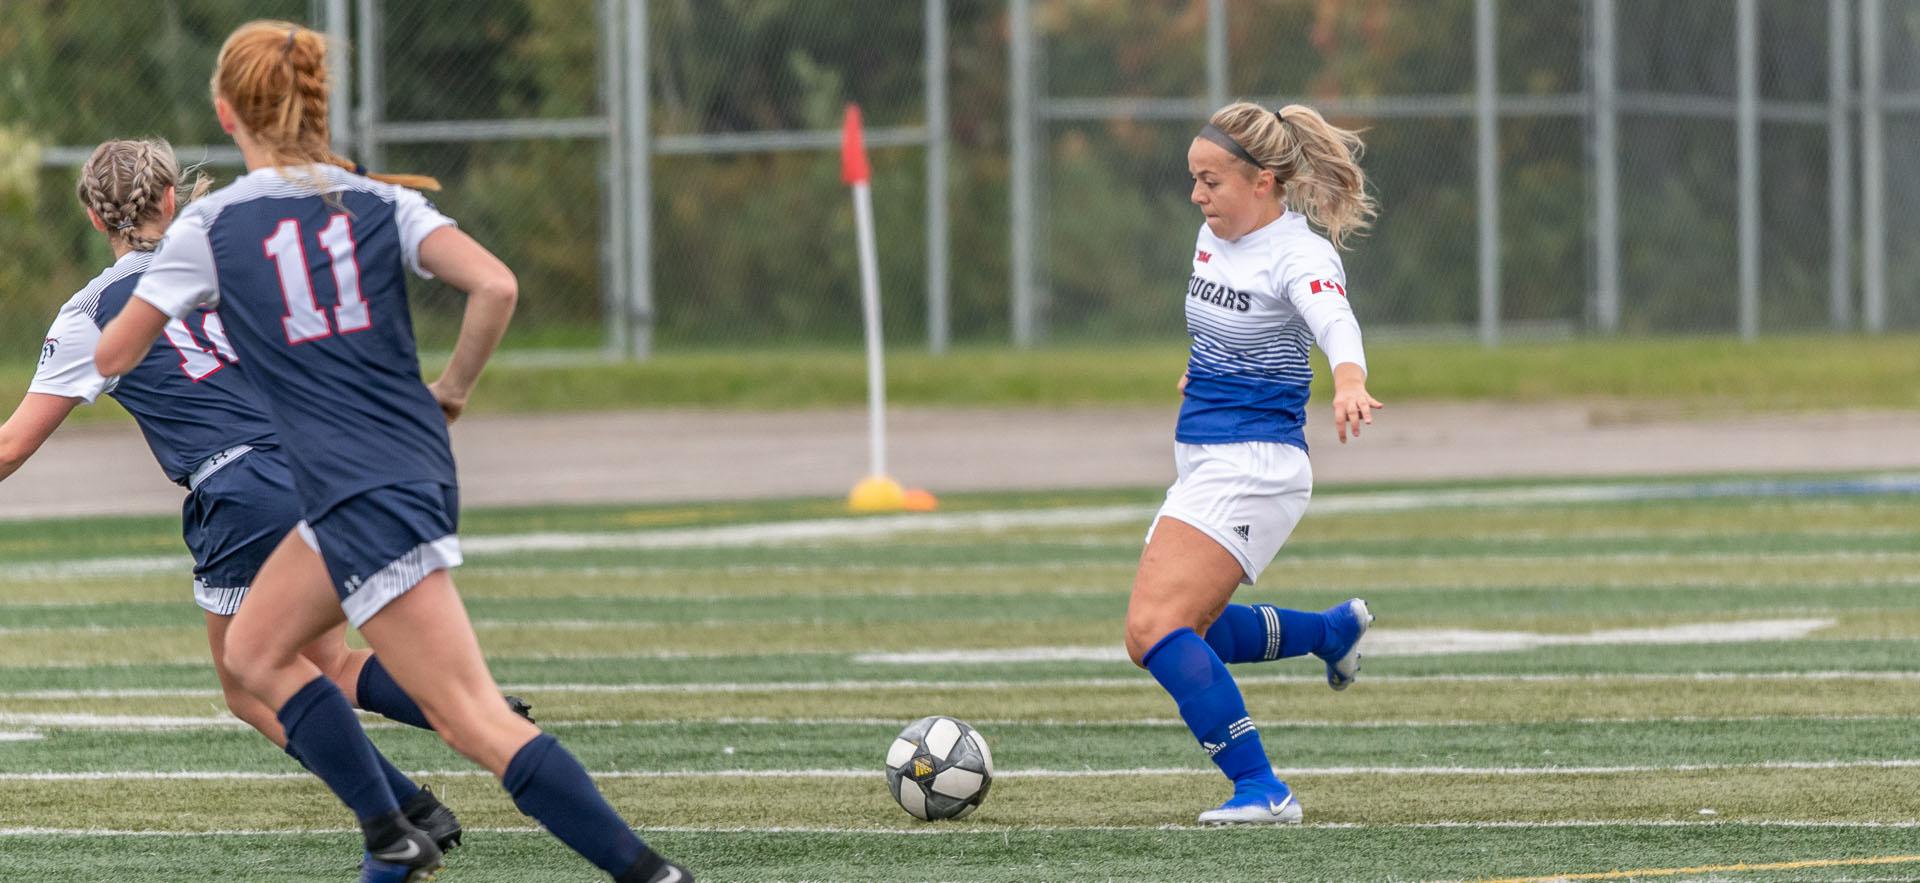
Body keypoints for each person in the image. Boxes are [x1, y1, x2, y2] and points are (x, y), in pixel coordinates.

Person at [94, 22, 687, 883]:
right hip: (399, 468)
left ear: (227, 114)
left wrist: (133, 307)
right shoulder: (376, 199)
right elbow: (496, 284)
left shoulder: (212, 226)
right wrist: (451, 390)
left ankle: (636, 872)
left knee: (471, 718)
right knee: (255, 654)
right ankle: (392, 834)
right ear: (318, 104)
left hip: (350, 484)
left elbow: (115, 355)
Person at [0, 137, 496, 848]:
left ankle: (403, 812)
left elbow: (11, 446)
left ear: (91, 216)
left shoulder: (92, 311)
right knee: (326, 662)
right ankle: (485, 723)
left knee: (248, 683)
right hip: (325, 467)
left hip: (242, 489)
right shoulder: (229, 260)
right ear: (170, 198)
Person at [1123, 101, 1384, 825]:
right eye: (1194, 180)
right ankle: (1330, 632)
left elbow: (1334, 319)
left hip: (1256, 464)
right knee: (1187, 629)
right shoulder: (1216, 237)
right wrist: (1200, 372)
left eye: (1211, 181)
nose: (1197, 196)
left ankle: (1264, 789)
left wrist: (1351, 379)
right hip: (1208, 451)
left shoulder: (1298, 254)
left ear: (1264, 181)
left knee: (1154, 627)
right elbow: (1227, 329)